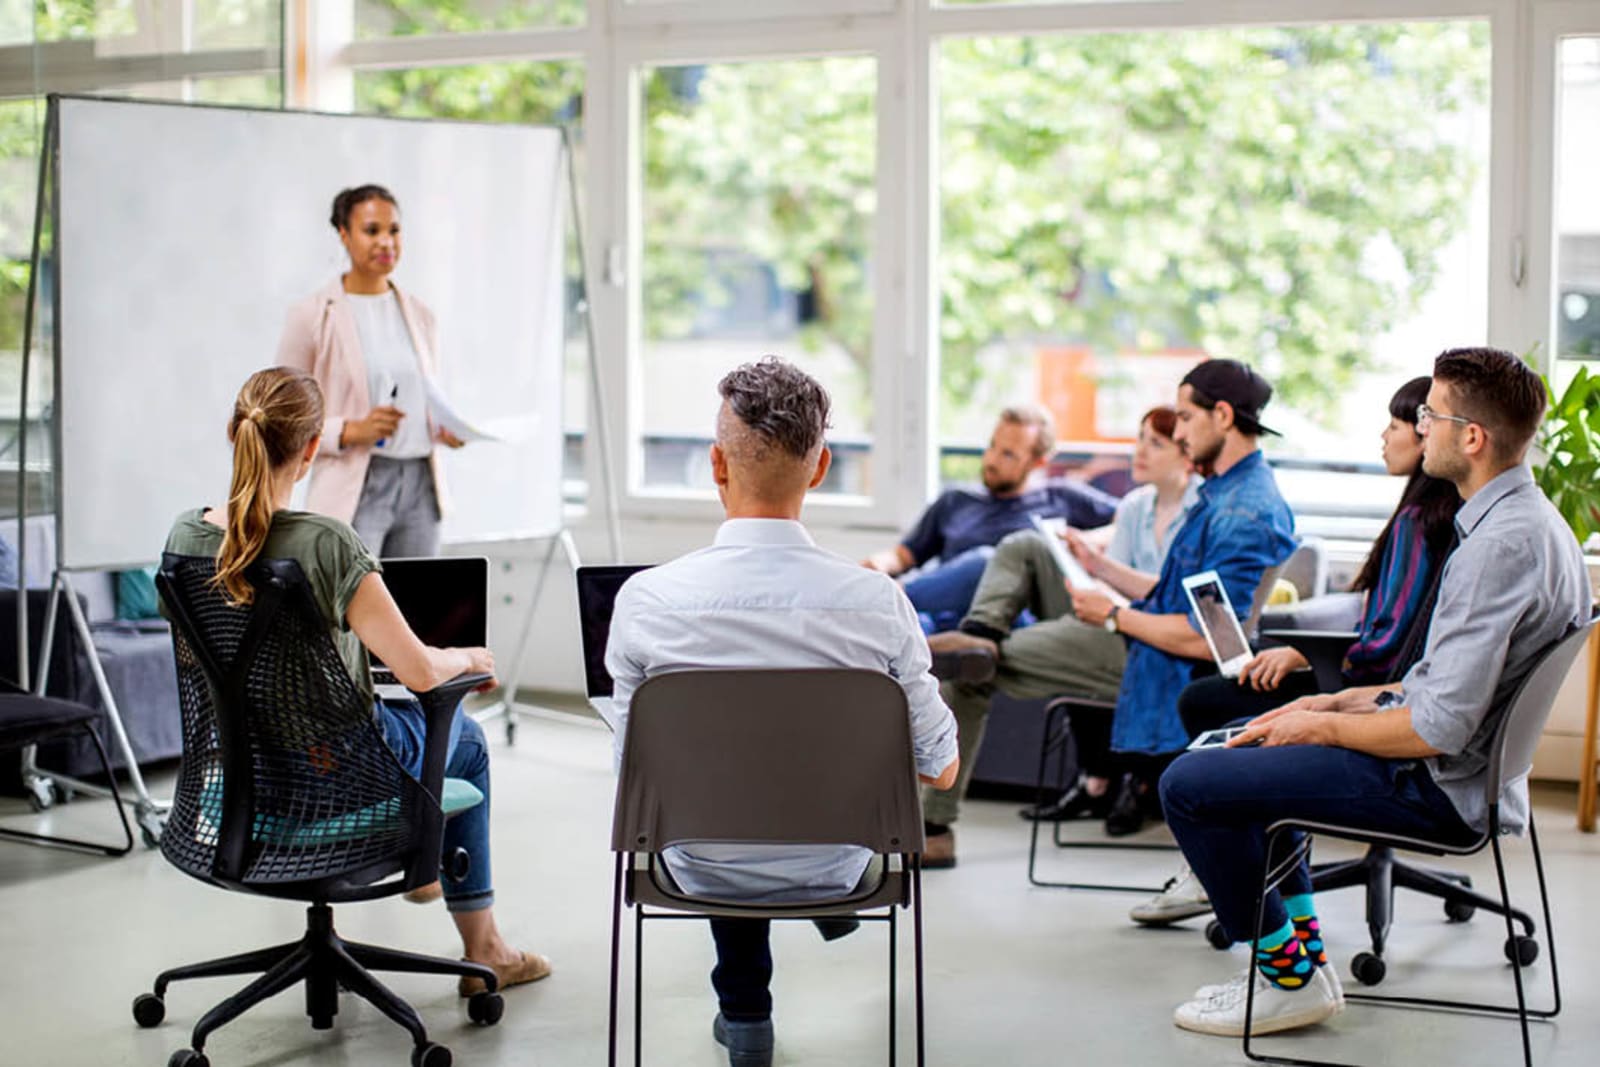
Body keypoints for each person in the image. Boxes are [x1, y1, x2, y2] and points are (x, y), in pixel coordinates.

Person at [1159, 347, 1590, 1039]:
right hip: (1458, 772)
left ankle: (1286, 980)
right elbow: (1436, 686)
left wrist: (1317, 729)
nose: (1420, 426)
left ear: (1470, 437)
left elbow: (1436, 729)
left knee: (1191, 784)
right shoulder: (1529, 523)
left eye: (1430, 414)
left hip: (1436, 785)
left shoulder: (1497, 546)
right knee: (1258, 757)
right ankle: (1301, 970)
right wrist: (1326, 703)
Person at [606, 357, 959, 1067]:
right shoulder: (877, 603)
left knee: (724, 800)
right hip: (838, 862)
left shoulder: (646, 600)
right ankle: (757, 996)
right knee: (775, 788)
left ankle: (744, 1015)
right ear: (822, 466)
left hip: (696, 860)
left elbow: (635, 773)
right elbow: (942, 767)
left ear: (715, 465)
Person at [162, 367, 547, 997]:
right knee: (469, 742)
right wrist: (467, 657)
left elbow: (200, 658)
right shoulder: (325, 542)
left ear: (234, 433)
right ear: (314, 448)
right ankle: (485, 946)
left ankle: (431, 874)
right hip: (333, 775)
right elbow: (418, 671)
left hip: (241, 778)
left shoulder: (185, 537)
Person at [922, 360, 1296, 865]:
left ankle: (933, 826)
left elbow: (1205, 639)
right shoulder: (1223, 492)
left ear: (1223, 416)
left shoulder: (1241, 513)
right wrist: (1100, 567)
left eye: (1184, 419)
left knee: (967, 676)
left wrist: (1113, 616)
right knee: (1025, 548)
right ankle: (979, 635)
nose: (1179, 434)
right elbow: (1180, 594)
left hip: (1160, 660)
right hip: (1142, 626)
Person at [1129, 376, 1462, 925]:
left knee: (1210, 711)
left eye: (1396, 425)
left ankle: (1243, 880)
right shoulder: (1437, 514)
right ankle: (1261, 881)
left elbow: (1385, 648)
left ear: (1429, 435)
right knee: (1215, 702)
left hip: (1375, 694)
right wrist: (1304, 654)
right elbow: (1389, 622)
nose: (1383, 436)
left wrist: (1316, 670)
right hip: (1382, 686)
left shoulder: (1419, 522)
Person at [1013, 405, 1202, 821]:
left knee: (1091, 641)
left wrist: (1112, 603)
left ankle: (1131, 781)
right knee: (1073, 618)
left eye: (1156, 443)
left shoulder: (1202, 512)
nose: (1140, 451)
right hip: (1124, 619)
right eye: (1139, 439)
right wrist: (1093, 584)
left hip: (1163, 630)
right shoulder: (1134, 506)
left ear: (1186, 453)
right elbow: (1114, 579)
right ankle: (1098, 781)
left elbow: (1178, 597)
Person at [277, 184, 466, 558]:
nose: (386, 242)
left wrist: (444, 428)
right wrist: (350, 430)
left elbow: (423, 395)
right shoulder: (312, 315)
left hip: (420, 486)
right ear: (344, 235)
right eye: (372, 230)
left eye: (394, 230)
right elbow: (280, 416)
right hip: (355, 483)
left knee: (419, 610)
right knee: (351, 609)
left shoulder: (420, 314)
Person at [862, 405, 1117, 634]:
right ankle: (891, 604)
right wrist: (878, 564)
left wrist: (1087, 540)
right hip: (944, 615)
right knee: (897, 633)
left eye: (1007, 455)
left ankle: (889, 599)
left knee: (991, 561)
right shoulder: (956, 500)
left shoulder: (1062, 497)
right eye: (992, 446)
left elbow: (1127, 519)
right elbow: (905, 555)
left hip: (1014, 618)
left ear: (1037, 462)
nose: (992, 459)